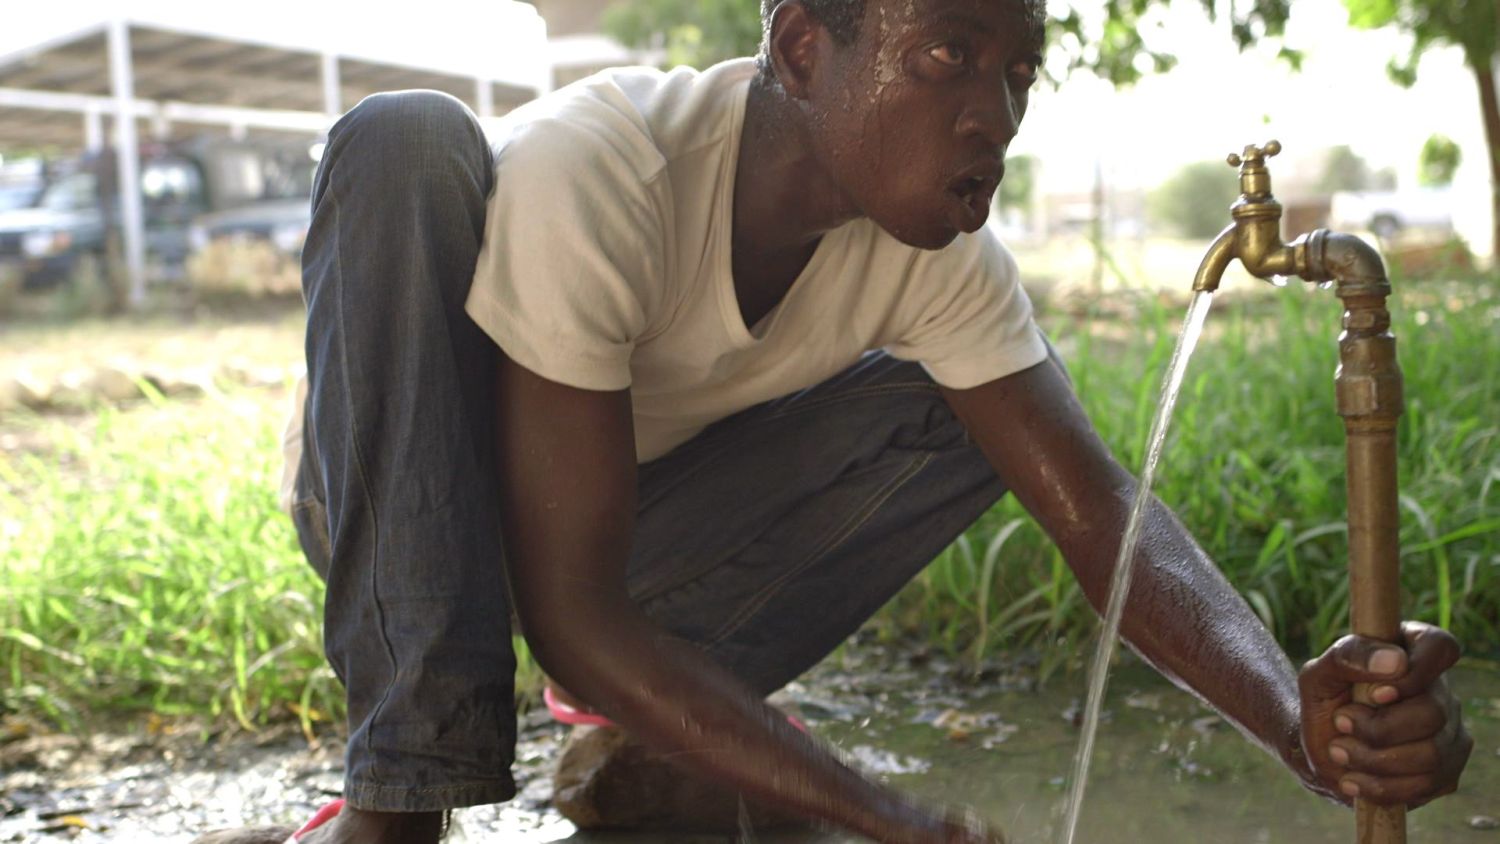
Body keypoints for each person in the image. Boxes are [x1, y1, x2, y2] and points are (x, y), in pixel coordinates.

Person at [195, 0, 1471, 841]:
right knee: (404, 139)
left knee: (971, 408)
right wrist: (876, 811)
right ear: (805, 52)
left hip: (613, 518)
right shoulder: (605, 167)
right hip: (408, 496)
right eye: (945, 56)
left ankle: (658, 713)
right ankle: (399, 794)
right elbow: (574, 618)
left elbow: (1101, 514)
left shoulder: (935, 247)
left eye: (1018, 69)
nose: (995, 111)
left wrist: (1295, 719)